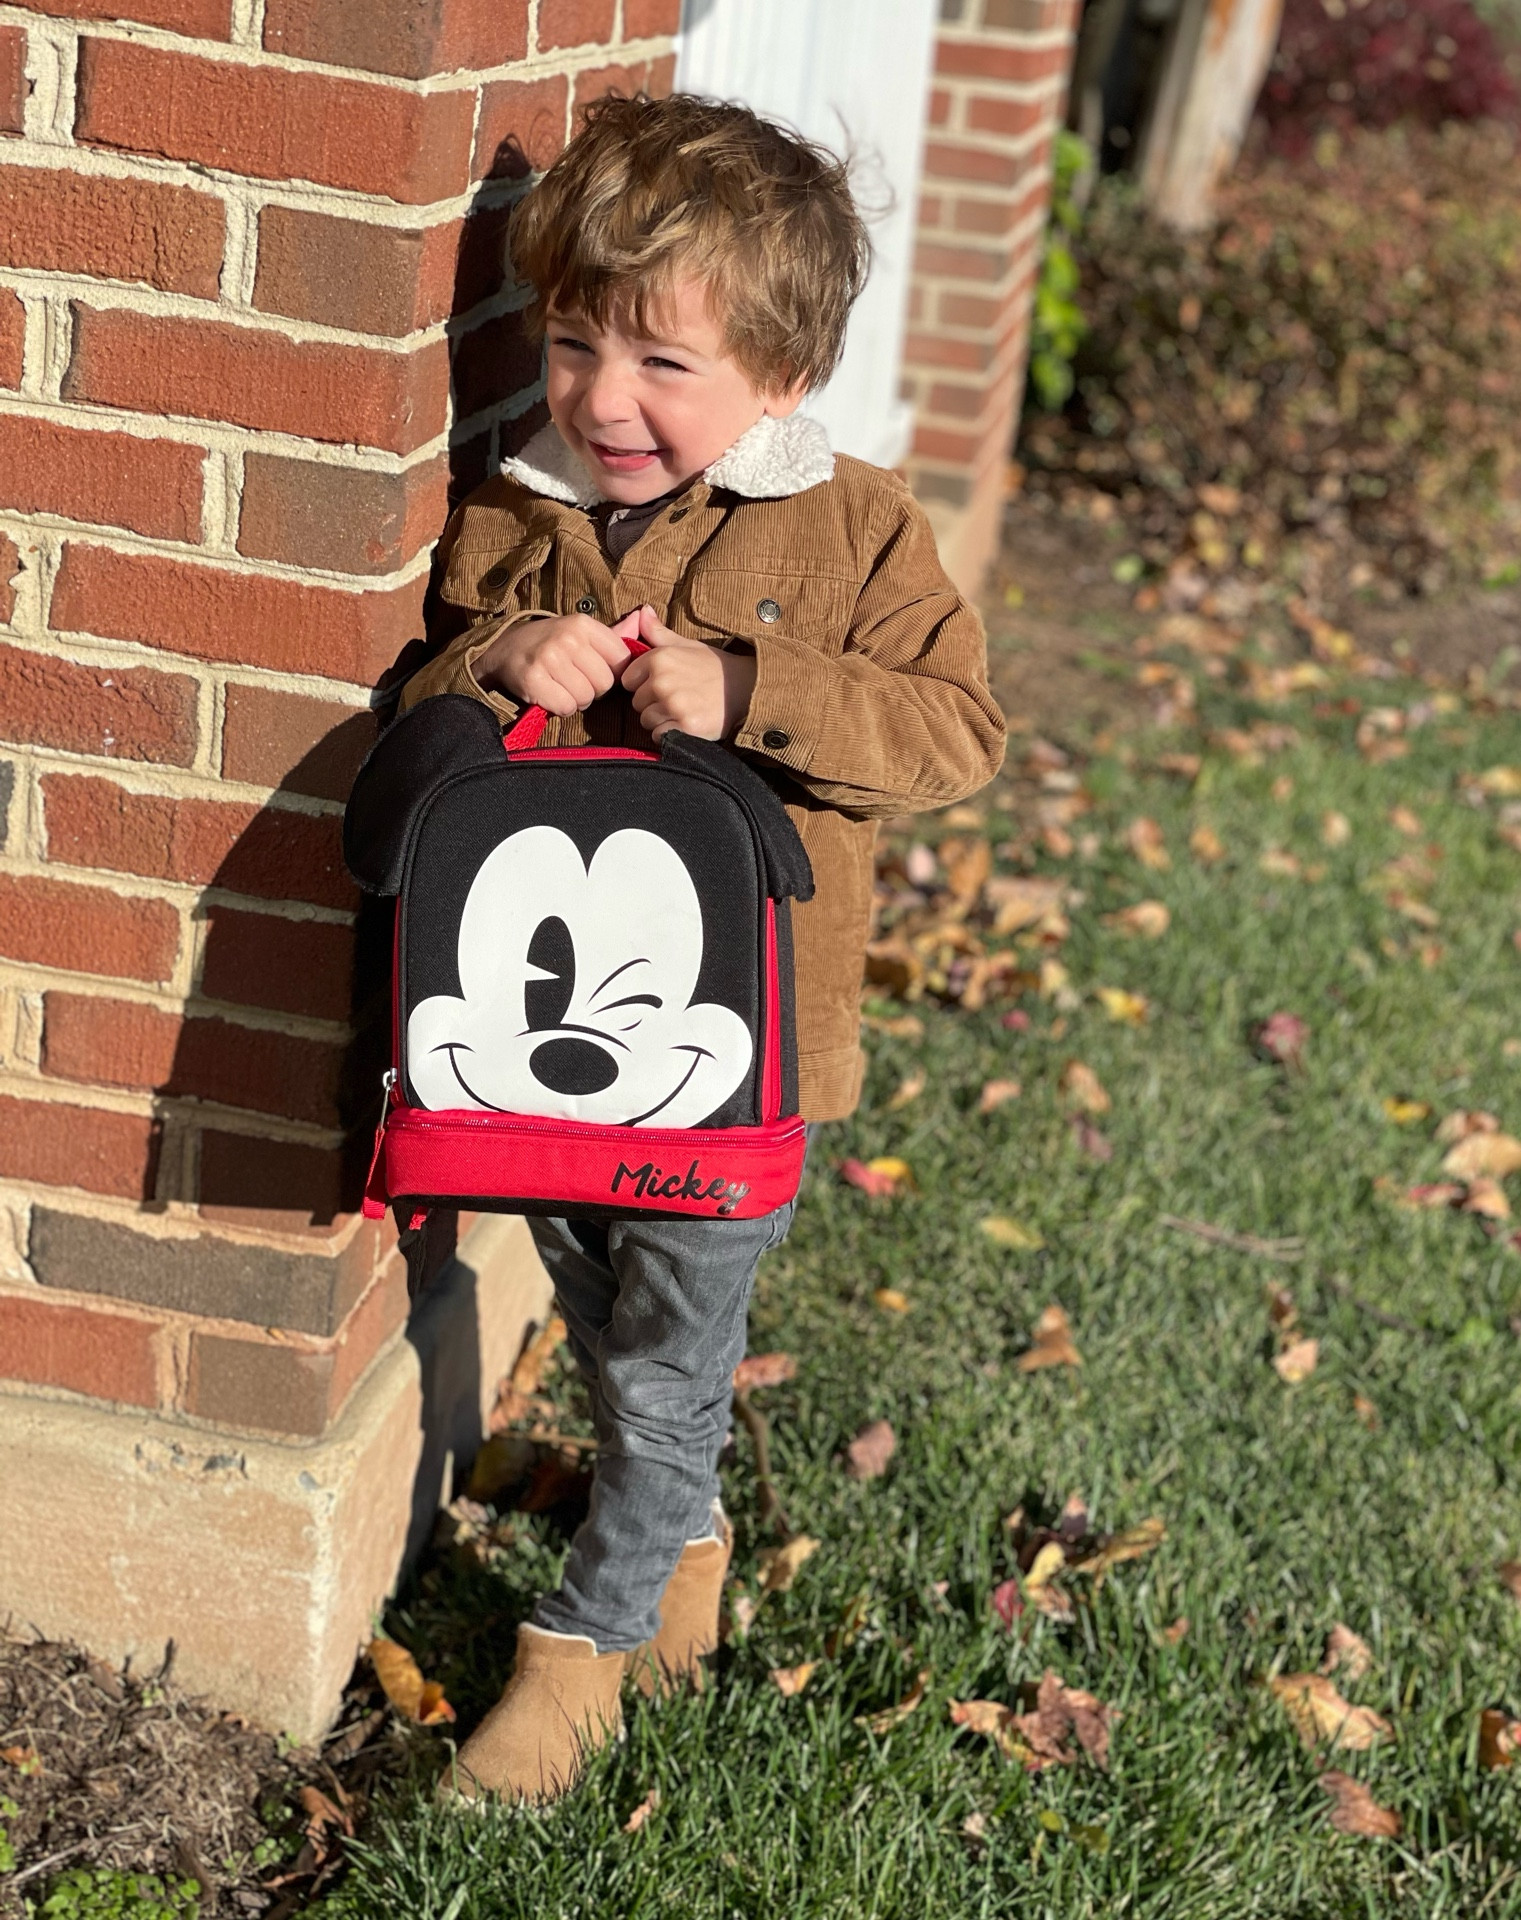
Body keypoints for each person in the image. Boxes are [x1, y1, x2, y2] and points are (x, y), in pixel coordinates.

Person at [400, 90, 1005, 1804]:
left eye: (664, 365)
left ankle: (579, 1651)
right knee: (606, 1315)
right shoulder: (515, 505)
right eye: (577, 340)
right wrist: (503, 656)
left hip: (741, 1057)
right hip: (530, 1042)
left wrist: (755, 691)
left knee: (669, 1350)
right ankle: (693, 1555)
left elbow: (959, 733)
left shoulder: (856, 526)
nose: (603, 398)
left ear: (784, 375)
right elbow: (426, 688)